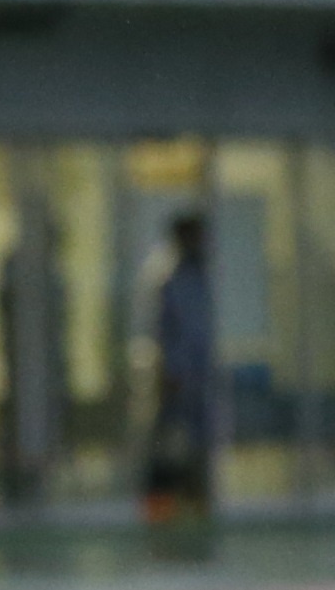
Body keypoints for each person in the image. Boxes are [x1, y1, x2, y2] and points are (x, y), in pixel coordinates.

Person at [148, 214, 213, 519]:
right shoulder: (173, 281)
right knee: (171, 440)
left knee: (200, 440)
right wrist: (171, 371)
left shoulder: (205, 276)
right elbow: (168, 331)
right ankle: (163, 503)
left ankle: (197, 497)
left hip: (202, 375)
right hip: (180, 375)